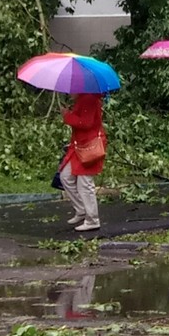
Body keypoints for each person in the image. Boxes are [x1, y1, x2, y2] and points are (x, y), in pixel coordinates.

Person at [60, 92, 106, 232]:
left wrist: (67, 115)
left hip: (89, 147)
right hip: (79, 146)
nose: (68, 92)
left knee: (85, 183)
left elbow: (85, 123)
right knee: (65, 176)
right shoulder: (82, 99)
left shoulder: (88, 99)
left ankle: (92, 219)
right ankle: (81, 210)